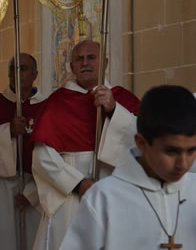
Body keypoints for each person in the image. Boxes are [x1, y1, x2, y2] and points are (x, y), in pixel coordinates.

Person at [31, 40, 140, 250]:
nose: (85, 63)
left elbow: (142, 143)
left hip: (113, 189)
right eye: (79, 59)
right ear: (72, 67)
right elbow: (42, 157)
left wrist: (113, 110)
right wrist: (78, 184)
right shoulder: (57, 102)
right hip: (69, 196)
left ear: (105, 63)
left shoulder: (122, 98)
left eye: (91, 57)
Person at [60, 85, 196, 249]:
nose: (183, 164)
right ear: (141, 143)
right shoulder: (105, 198)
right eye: (171, 151)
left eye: (192, 150)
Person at [0, 53, 46, 250]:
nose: (18, 74)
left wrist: (32, 193)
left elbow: (55, 151)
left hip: (38, 188)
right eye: (13, 69)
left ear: (35, 74)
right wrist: (7, 132)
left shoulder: (47, 106)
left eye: (23, 68)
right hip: (2, 188)